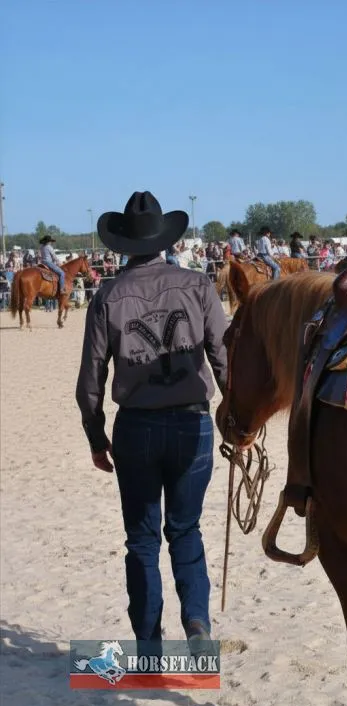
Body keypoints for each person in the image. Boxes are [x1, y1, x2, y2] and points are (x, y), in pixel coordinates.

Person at [76, 191, 227, 657]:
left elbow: (91, 378)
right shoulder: (198, 285)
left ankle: (148, 644)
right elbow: (224, 357)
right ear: (166, 240)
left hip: (136, 427)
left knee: (141, 539)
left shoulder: (107, 296)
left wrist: (96, 436)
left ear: (124, 244)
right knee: (186, 529)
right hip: (192, 423)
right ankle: (197, 624)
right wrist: (238, 420)